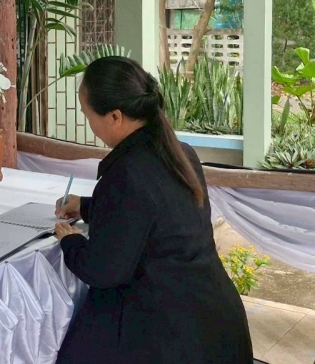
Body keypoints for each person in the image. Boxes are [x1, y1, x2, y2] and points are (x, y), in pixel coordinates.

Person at [53, 56, 253, 364]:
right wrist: (87, 206)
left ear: (115, 116)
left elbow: (103, 270)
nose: (89, 124)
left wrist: (71, 241)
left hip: (168, 331)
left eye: (87, 114)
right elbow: (155, 213)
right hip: (216, 318)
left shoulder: (126, 173)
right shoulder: (180, 153)